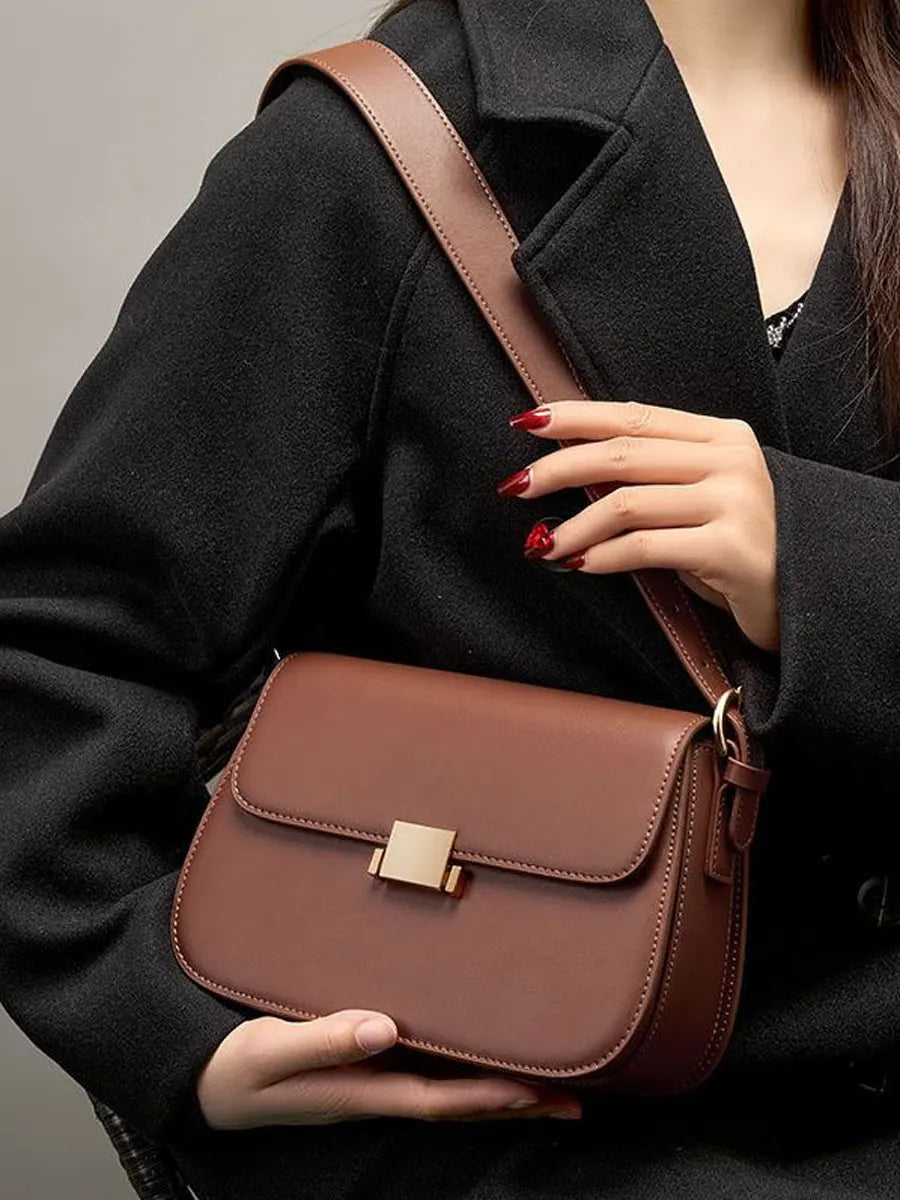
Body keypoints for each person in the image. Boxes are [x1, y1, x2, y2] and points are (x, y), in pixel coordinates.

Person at [3, 0, 900, 1195]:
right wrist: (174, 1029)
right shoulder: (379, 143)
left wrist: (819, 559)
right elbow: (65, 648)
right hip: (517, 1126)